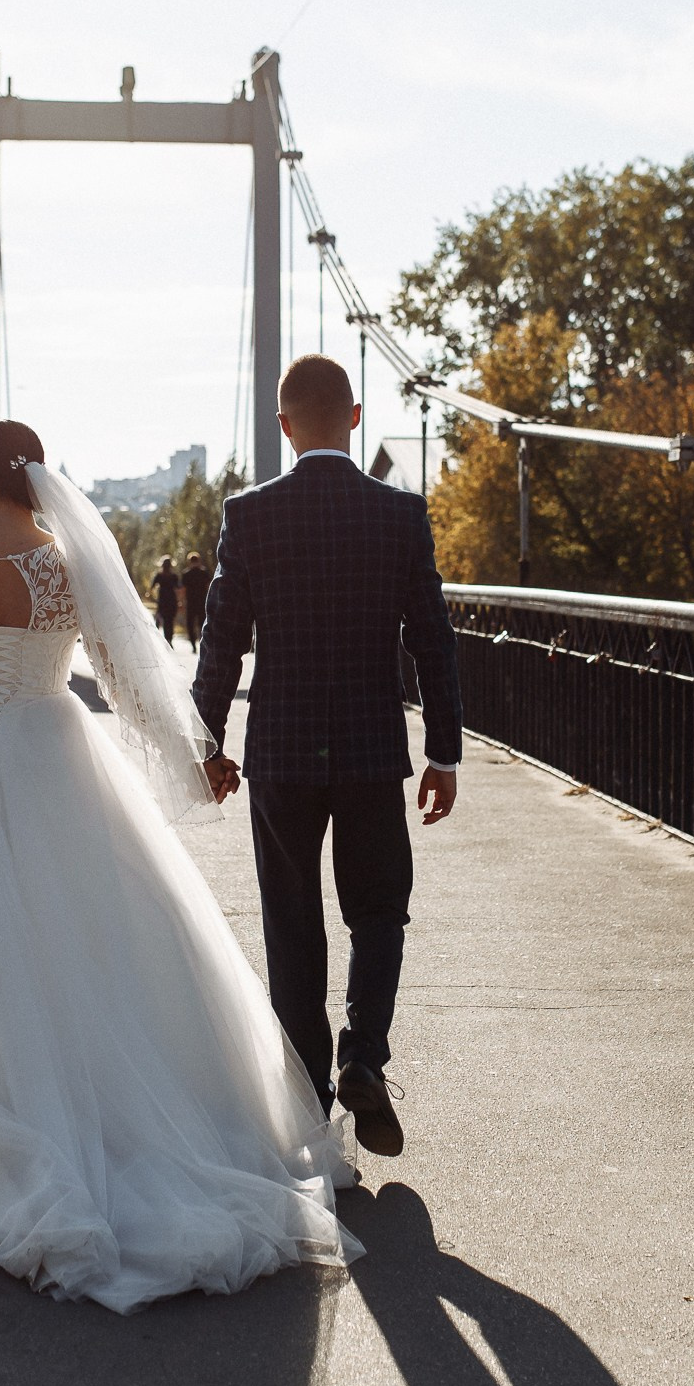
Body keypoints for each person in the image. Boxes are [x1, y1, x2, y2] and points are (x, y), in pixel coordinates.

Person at [0, 421, 356, 1314]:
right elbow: (125, 677)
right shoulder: (69, 567)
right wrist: (198, 756)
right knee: (64, 929)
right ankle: (81, 1107)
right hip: (48, 748)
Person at [193, 356, 463, 1161]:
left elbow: (222, 642)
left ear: (283, 427)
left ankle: (309, 1100)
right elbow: (432, 641)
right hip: (375, 750)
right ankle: (365, 1057)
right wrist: (443, 750)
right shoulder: (399, 513)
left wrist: (206, 744)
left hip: (280, 752)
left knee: (291, 920)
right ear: (354, 417)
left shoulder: (249, 516)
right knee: (379, 911)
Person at [179, 549, 210, 648]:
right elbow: (208, 587)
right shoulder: (204, 572)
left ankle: (193, 644)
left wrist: (182, 602)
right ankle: (202, 642)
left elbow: (183, 590)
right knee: (202, 623)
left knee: (190, 624)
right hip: (202, 602)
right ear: (199, 560)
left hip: (190, 602)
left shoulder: (186, 574)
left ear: (189, 562)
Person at [150, 554, 180, 643]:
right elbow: (178, 588)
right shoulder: (174, 576)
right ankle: (169, 638)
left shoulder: (159, 575)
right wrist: (180, 601)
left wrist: (152, 597)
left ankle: (160, 637)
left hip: (162, 599)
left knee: (161, 618)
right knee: (169, 620)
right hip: (171, 599)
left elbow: (152, 587)